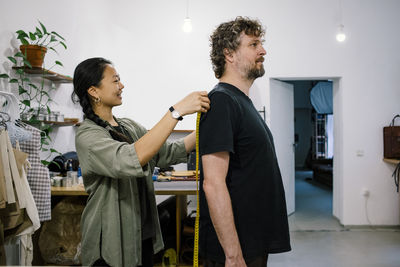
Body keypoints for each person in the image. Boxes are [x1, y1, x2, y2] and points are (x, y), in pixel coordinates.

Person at [71, 57, 210, 267]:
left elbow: (169, 152)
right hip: (110, 240)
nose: (122, 85)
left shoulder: (128, 126)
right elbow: (130, 158)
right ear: (94, 91)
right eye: (115, 80)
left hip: (139, 234)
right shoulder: (88, 135)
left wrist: (204, 127)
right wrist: (176, 111)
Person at [199, 17, 291, 267]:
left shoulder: (241, 102)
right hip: (235, 250)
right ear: (229, 54)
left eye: (260, 43)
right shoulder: (222, 102)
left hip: (251, 240)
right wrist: (233, 254)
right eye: (253, 44)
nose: (263, 50)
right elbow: (213, 184)